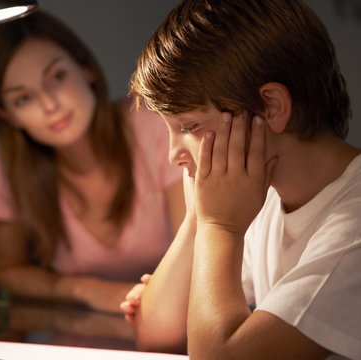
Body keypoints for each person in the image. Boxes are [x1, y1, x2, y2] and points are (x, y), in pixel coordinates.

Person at [120, 0, 361, 359]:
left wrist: (220, 226)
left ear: (271, 107)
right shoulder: (257, 196)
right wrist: (199, 219)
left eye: (188, 127)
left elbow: (220, 355)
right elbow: (156, 331)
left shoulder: (353, 227)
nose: (173, 156)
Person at [0, 10, 186, 315]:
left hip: (170, 328)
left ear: (85, 68)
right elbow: (5, 272)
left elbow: (199, 255)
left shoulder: (155, 127)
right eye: (23, 98)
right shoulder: (13, 169)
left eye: (57, 77)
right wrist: (86, 290)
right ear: (7, 115)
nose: (50, 105)